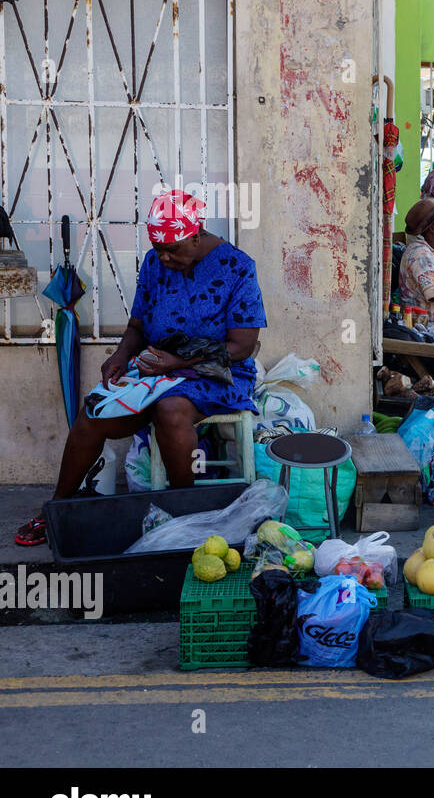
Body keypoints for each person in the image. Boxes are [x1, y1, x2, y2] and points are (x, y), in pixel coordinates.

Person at [15, 191, 267, 546]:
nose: (164, 256)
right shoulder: (154, 263)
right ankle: (57, 507)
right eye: (157, 247)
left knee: (170, 409)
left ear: (195, 236)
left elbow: (241, 347)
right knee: (94, 410)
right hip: (156, 369)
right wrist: (120, 355)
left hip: (214, 373)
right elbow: (138, 326)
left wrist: (179, 363)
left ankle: (184, 513)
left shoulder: (237, 266)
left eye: (172, 249)